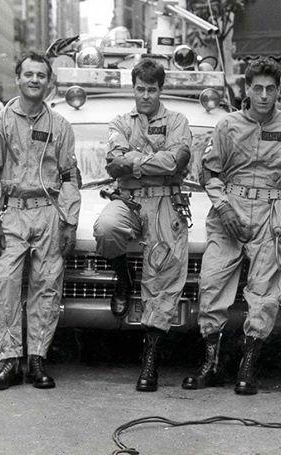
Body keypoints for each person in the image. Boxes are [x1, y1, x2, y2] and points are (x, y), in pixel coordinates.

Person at [182, 57, 281, 396]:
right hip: (230, 208)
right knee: (212, 283)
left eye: (270, 90)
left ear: (278, 92)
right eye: (257, 88)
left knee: (264, 292)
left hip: (271, 212)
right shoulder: (227, 125)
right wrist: (222, 206)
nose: (263, 96)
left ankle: (247, 367)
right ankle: (211, 364)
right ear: (247, 89)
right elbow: (210, 171)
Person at [0, 52, 81, 391]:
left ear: (49, 82)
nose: (35, 80)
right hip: (12, 213)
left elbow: (69, 176)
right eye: (28, 74)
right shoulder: (0, 122)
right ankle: (10, 361)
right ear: (18, 79)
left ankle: (37, 358)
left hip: (49, 211)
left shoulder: (61, 126)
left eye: (41, 75)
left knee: (47, 285)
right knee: (5, 283)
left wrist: (69, 221)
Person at [93, 58, 192, 392]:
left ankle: (149, 363)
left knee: (162, 274)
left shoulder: (178, 120)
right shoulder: (121, 121)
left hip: (166, 200)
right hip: (128, 200)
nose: (145, 95)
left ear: (161, 89)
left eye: (152, 89)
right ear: (132, 88)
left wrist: (134, 160)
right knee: (106, 230)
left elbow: (177, 160)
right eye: (140, 89)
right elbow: (114, 165)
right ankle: (123, 278)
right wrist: (151, 163)